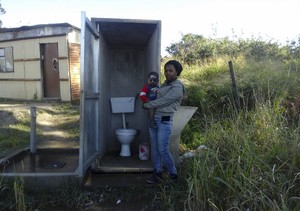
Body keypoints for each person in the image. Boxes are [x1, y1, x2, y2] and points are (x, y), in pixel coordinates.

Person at [143, 60, 185, 184]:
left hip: (164, 120)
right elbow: (155, 96)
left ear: (177, 72)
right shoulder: (164, 85)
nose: (167, 73)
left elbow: (165, 101)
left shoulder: (177, 87)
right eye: (166, 70)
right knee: (155, 149)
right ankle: (157, 174)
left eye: (170, 71)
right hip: (154, 119)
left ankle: (173, 174)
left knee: (162, 149)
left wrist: (148, 104)